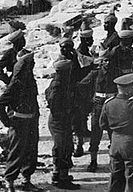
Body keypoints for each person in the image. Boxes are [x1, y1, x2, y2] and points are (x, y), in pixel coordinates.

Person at [0, 49, 41, 192]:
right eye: (30, 63)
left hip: (31, 121)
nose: (33, 64)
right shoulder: (16, 84)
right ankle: (10, 181)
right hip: (19, 123)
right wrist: (8, 123)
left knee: (31, 151)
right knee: (16, 153)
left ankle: (27, 180)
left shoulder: (30, 82)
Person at [46, 59, 79, 189]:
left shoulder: (58, 82)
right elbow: (53, 102)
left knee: (62, 147)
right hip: (59, 121)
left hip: (59, 120)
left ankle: (57, 174)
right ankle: (62, 179)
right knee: (64, 148)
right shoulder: (58, 85)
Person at [80, 53, 111, 172]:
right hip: (98, 107)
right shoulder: (95, 74)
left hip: (111, 105)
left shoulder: (116, 72)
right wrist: (90, 98)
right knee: (95, 134)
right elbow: (82, 85)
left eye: (109, 60)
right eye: (105, 61)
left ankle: (114, 161)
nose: (107, 63)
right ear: (101, 61)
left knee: (112, 134)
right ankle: (93, 161)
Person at [73, 26, 96, 157]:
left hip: (85, 88)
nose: (92, 40)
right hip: (80, 88)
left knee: (83, 114)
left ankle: (83, 132)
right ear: (85, 39)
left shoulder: (85, 51)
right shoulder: (81, 53)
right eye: (90, 38)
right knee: (78, 117)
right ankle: (78, 145)